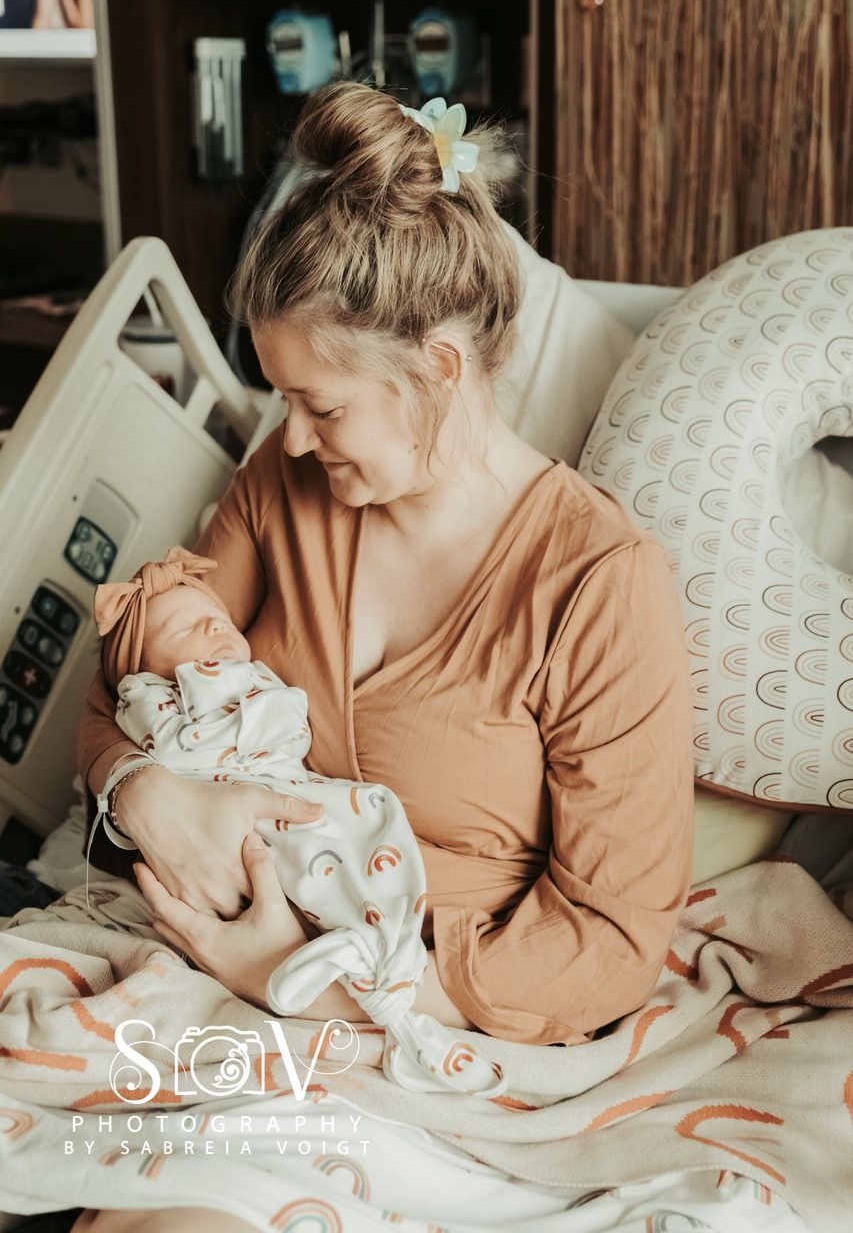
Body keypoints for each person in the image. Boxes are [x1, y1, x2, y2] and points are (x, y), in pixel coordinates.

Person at [73, 82, 693, 1233]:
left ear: (439, 372)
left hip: (413, 1023)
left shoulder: (596, 585)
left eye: (321, 405)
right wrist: (144, 789)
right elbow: (134, 678)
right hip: (208, 967)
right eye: (280, 402)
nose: (291, 438)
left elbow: (607, 942)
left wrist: (342, 981)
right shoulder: (284, 488)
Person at [90, 547, 504, 1096]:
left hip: (296, 792)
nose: (215, 622)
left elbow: (288, 729)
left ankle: (378, 970)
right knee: (306, 854)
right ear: (139, 670)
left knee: (359, 829)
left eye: (216, 617)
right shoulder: (152, 697)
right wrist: (141, 788)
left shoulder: (244, 677)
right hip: (241, 806)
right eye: (184, 626)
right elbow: (154, 732)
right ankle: (361, 963)